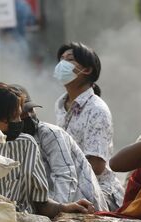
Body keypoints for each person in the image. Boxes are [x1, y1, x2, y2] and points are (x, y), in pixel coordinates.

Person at [0, 82, 95, 218]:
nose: (20, 121)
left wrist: (63, 207)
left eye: (22, 114)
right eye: (14, 117)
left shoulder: (26, 145)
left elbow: (42, 203)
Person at [9, 85, 108, 211]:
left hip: (82, 205)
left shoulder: (50, 134)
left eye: (31, 110)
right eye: (22, 114)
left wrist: (57, 210)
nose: (28, 116)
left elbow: (65, 177)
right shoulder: (12, 141)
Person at [53, 42, 124, 211]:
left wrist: (60, 173)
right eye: (61, 59)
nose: (62, 64)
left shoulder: (97, 110)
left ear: (87, 70)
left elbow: (97, 166)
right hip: (70, 184)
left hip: (99, 191)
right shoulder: (60, 104)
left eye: (69, 59)